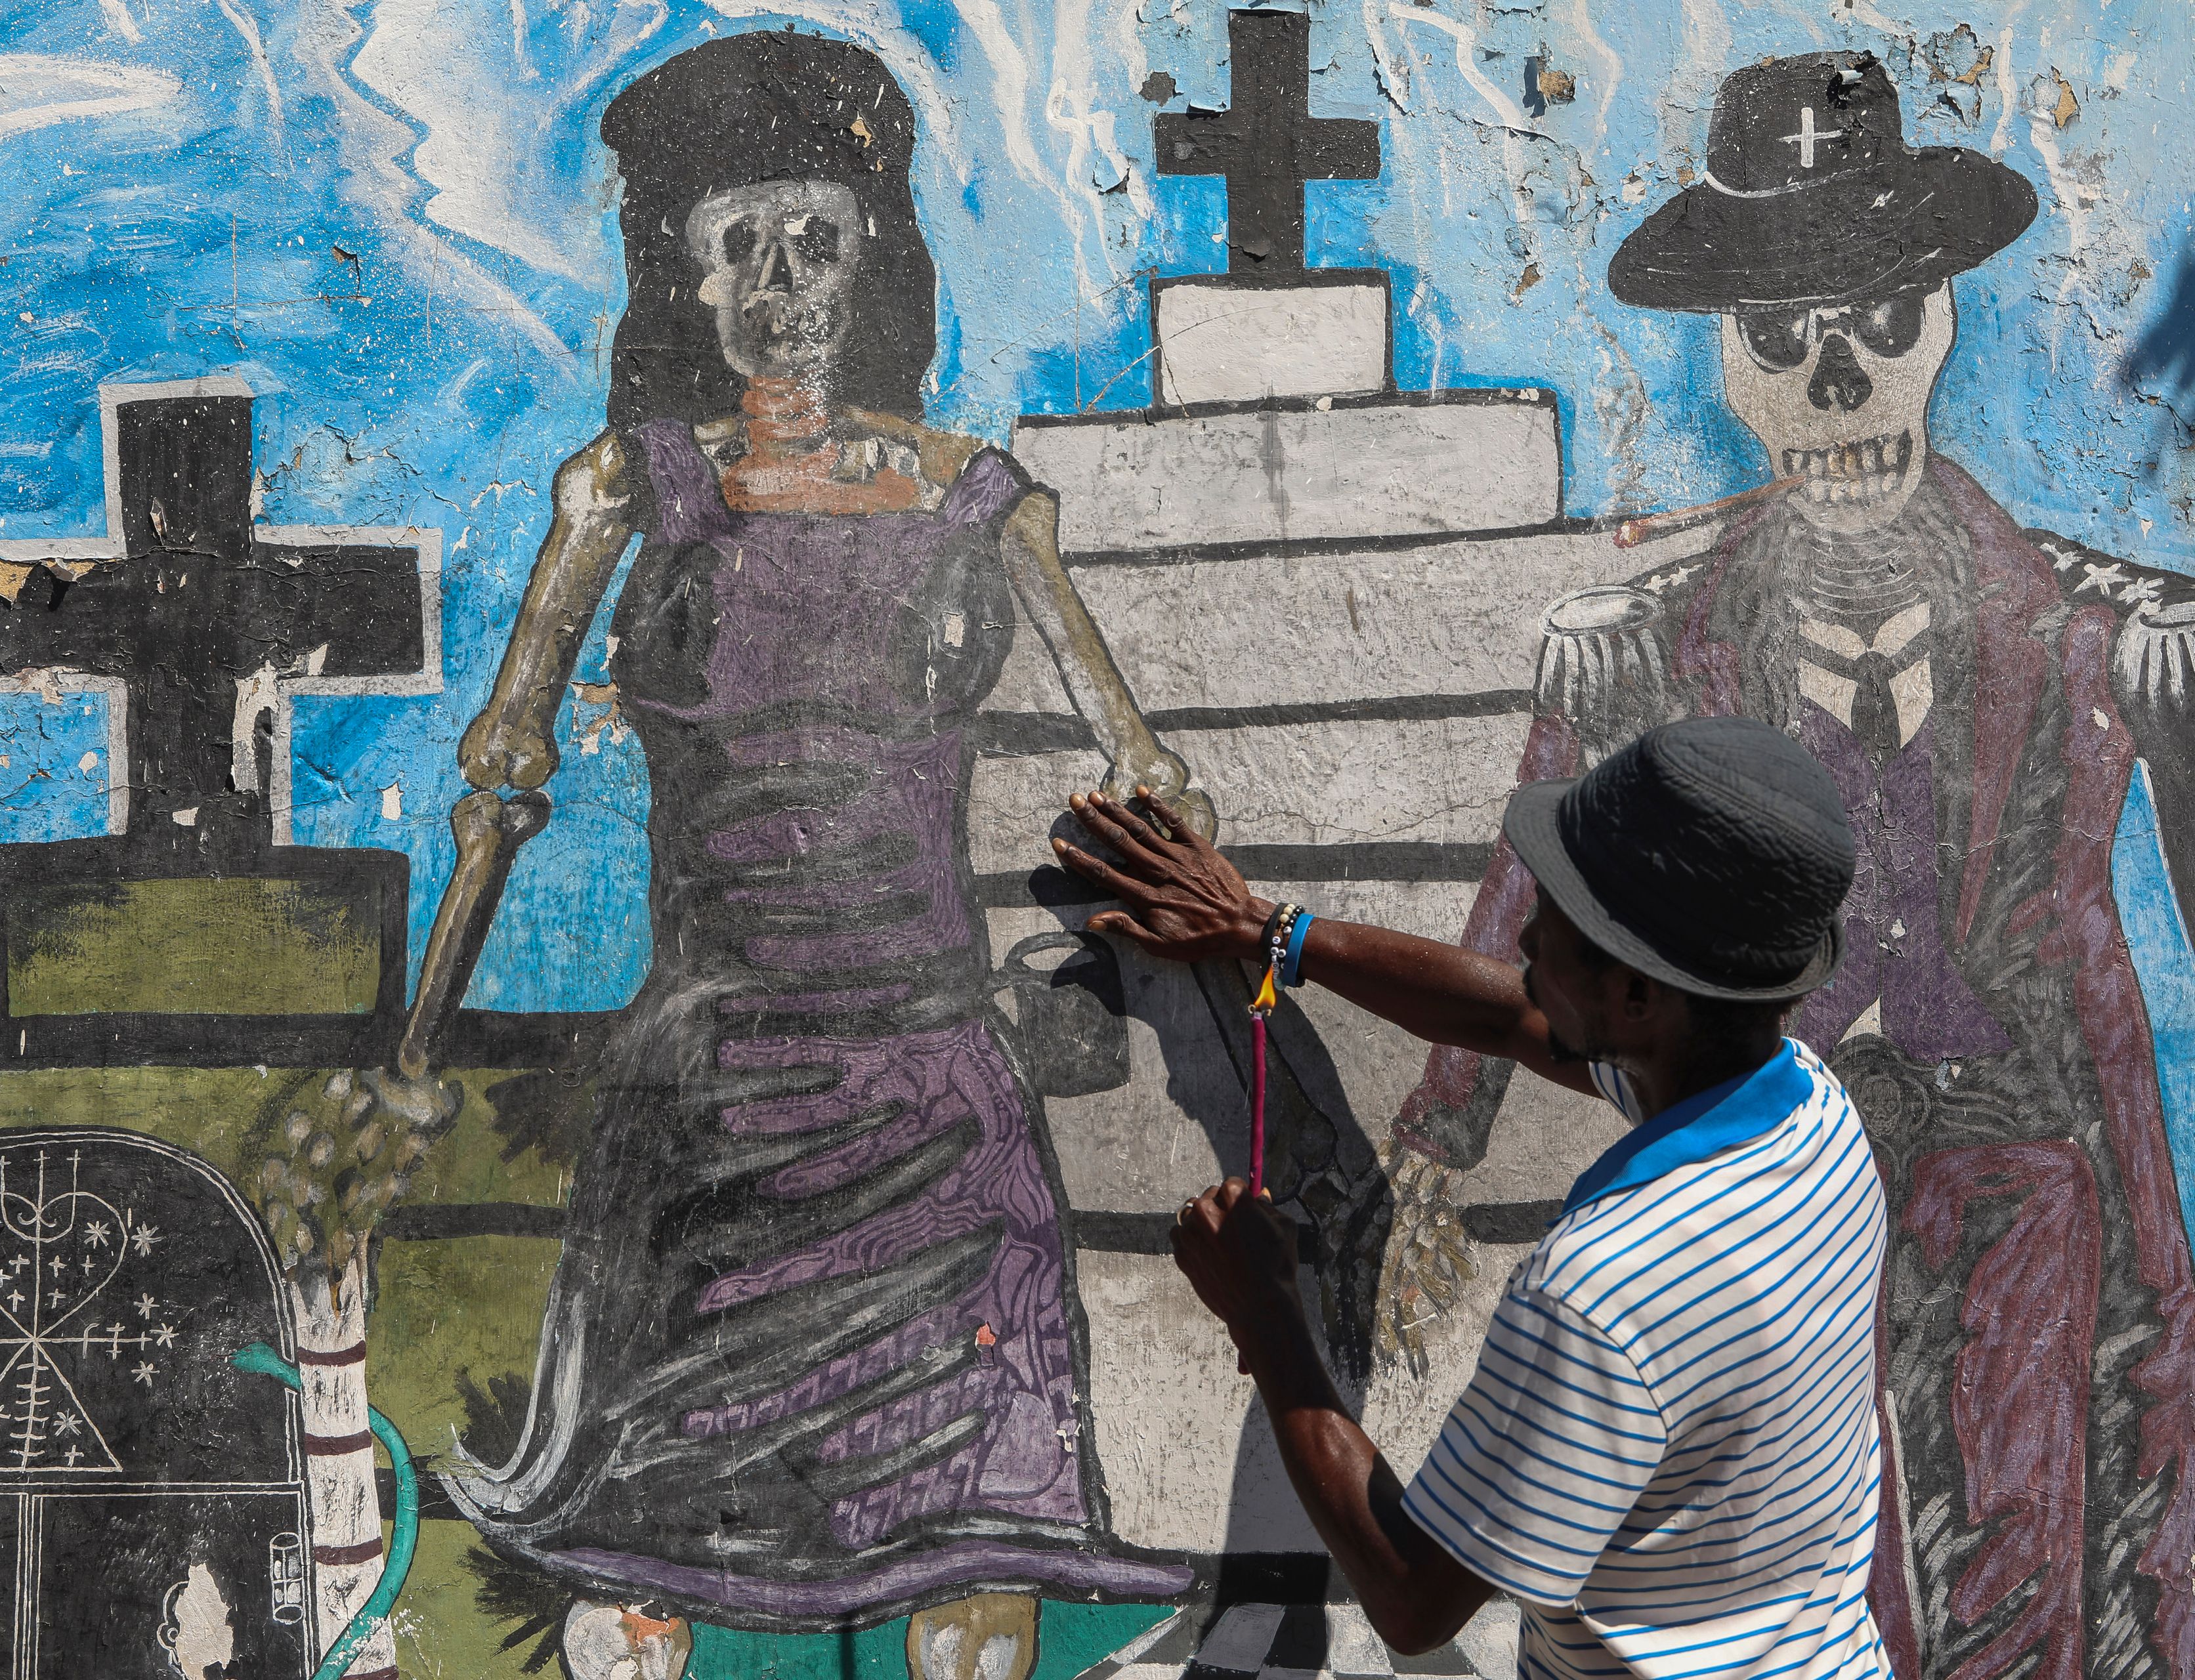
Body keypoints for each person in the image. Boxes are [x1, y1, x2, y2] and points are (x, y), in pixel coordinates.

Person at [1378, 52, 2195, 1675]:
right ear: (1732, 368)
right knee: (1812, 1549)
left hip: (2023, 1159)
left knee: (2026, 1555)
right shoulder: (1644, 642)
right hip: (1771, 1157)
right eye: (1783, 338)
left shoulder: (2106, 635)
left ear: (1945, 324)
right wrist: (1432, 1145)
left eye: (1879, 322)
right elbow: (1540, 889)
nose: (1837, 380)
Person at [438, 30, 1202, 1680]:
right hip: (712, 1100)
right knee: (647, 1601)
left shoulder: (982, 502)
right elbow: (506, 763)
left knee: (974, 1580)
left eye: (820, 240)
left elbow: (1142, 765)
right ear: (687, 283)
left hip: (934, 1091)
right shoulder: (622, 496)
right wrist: (422, 1038)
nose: (785, 282)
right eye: (743, 246)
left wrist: (1115, 934)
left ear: (876, 265)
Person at [1054, 717, 1890, 1677]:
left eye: (1562, 931)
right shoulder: (1810, 1114)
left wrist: (1267, 1315)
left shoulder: (1602, 1291)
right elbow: (1518, 1017)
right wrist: (1274, 934)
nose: (1526, 935)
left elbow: (1414, 1599)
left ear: (1638, 1002)